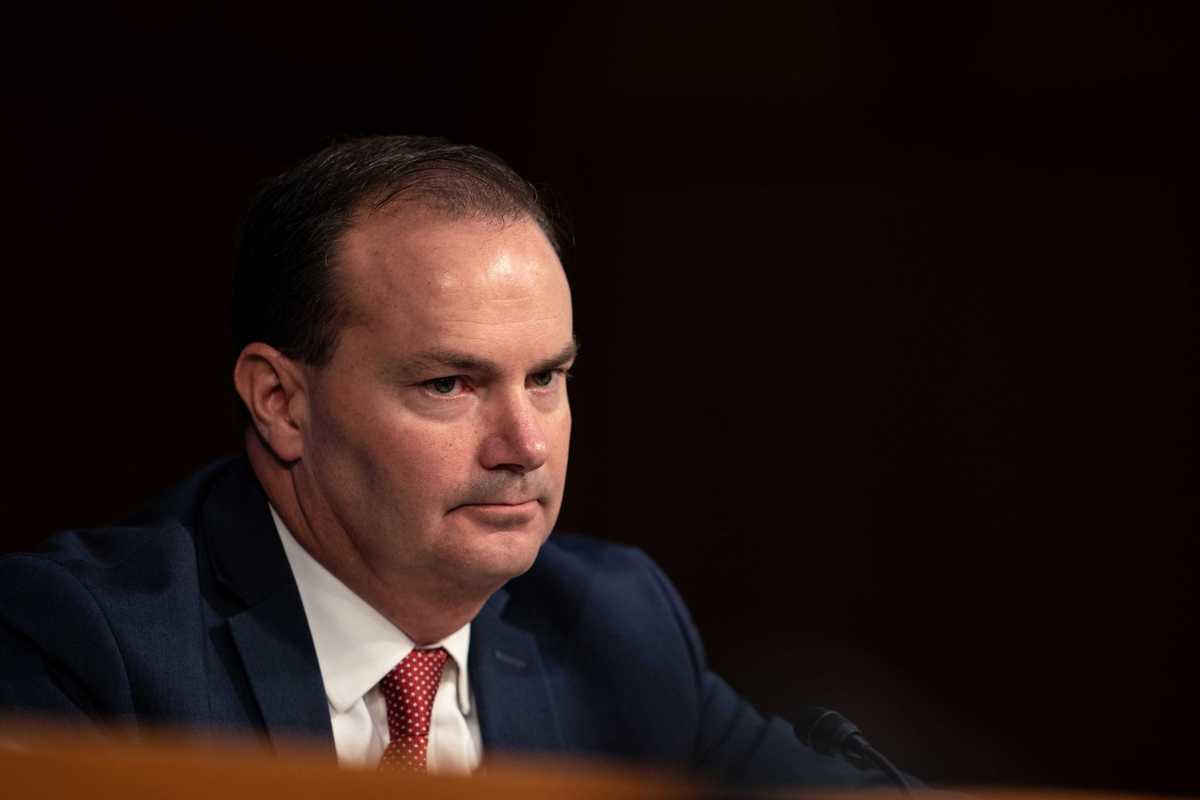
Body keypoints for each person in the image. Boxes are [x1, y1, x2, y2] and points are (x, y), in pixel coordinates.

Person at [0, 136, 905, 788]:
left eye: (545, 378)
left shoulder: (610, 629)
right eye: (449, 384)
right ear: (281, 401)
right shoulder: (90, 649)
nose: (526, 445)